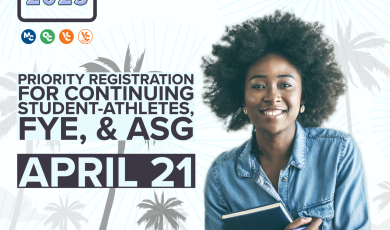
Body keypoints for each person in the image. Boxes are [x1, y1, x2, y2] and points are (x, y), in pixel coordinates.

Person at [202, 11, 369, 230]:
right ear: (241, 97)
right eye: (258, 86)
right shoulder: (222, 175)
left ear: (304, 96)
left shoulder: (338, 153)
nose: (272, 96)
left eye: (285, 85)